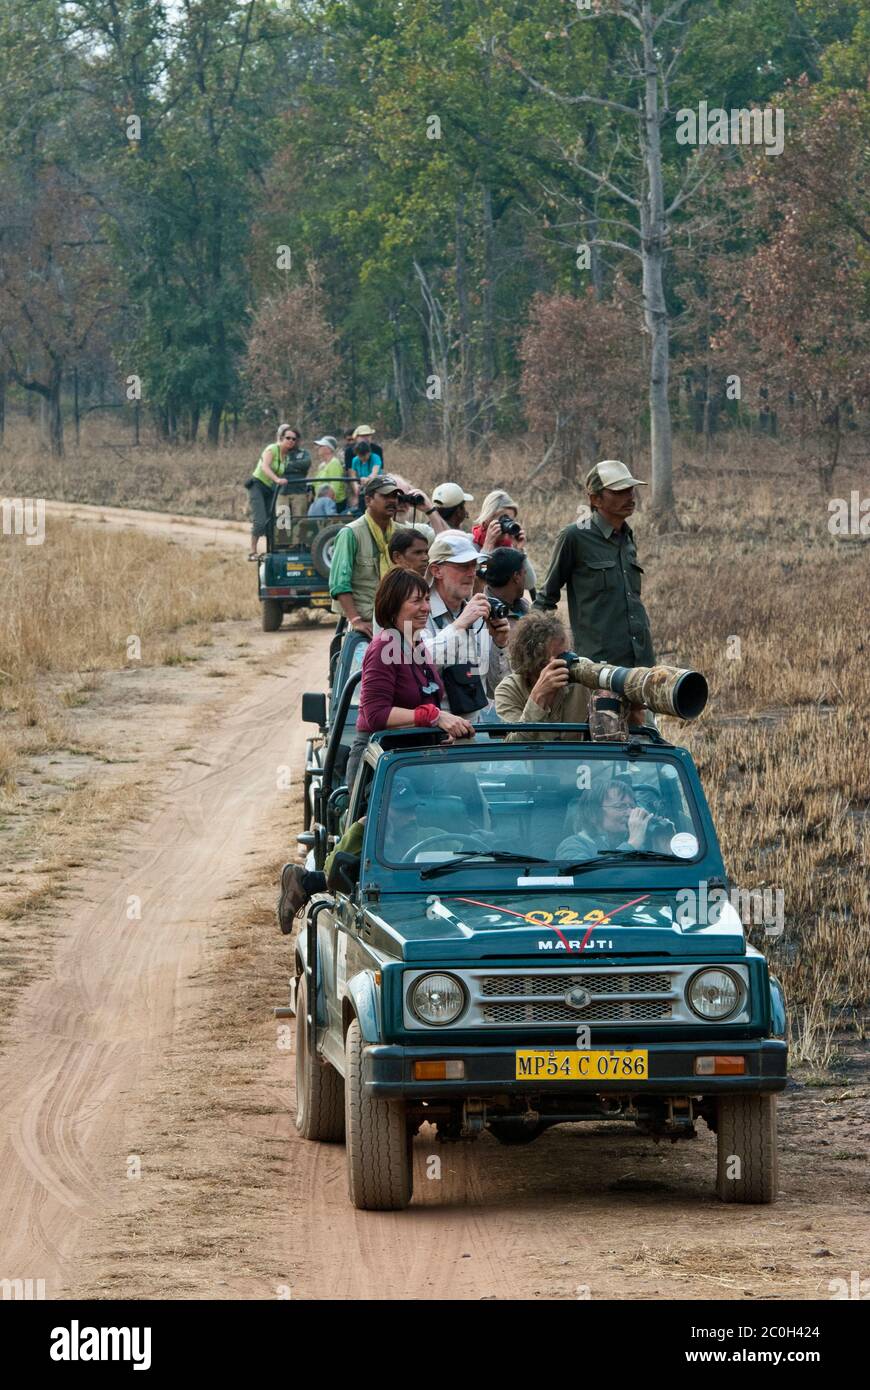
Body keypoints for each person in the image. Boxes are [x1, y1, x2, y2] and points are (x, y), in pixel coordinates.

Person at [344, 567, 475, 789]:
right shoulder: (384, 646)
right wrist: (433, 717)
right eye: (416, 601)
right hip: (380, 766)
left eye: (426, 599)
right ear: (393, 605)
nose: (426, 607)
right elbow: (376, 714)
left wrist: (441, 731)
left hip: (412, 761)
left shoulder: (416, 643)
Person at [533, 459, 655, 669]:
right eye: (619, 491)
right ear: (595, 499)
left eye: (630, 489)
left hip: (640, 660)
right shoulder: (575, 537)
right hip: (598, 666)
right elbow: (545, 600)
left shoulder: (627, 537)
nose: (629, 496)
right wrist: (532, 657)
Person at [424, 529, 510, 723]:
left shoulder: (477, 614)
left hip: (472, 730)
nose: (472, 573)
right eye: (462, 566)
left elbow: (495, 688)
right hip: (430, 732)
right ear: (436, 570)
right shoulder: (419, 611)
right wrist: (459, 625)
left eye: (474, 565)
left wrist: (500, 645)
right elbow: (418, 666)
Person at [494, 612, 588, 739]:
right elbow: (513, 746)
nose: (566, 662)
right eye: (559, 658)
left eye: (567, 654)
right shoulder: (509, 690)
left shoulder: (580, 670)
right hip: (533, 757)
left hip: (578, 757)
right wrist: (538, 697)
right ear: (535, 662)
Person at [328, 475, 401, 638]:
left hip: (396, 623)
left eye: (395, 496)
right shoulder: (351, 533)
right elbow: (339, 583)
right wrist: (356, 620)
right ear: (368, 500)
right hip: (365, 625)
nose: (392, 501)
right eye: (385, 496)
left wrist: (429, 509)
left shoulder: (400, 533)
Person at [555, 778, 675, 862]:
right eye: (620, 806)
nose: (630, 813)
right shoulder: (573, 846)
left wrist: (663, 848)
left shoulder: (641, 844)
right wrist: (632, 844)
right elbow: (588, 881)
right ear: (593, 814)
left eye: (632, 807)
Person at [245, 424, 311, 559]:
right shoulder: (272, 449)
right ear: (281, 438)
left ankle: (272, 550)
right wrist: (277, 479)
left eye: (293, 439)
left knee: (273, 521)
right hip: (258, 485)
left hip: (270, 489)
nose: (291, 441)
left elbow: (304, 465)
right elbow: (264, 467)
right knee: (260, 521)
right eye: (288, 438)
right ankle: (252, 552)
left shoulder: (286, 456)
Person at [476, 547, 530, 626]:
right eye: (524, 573)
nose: (525, 579)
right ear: (517, 576)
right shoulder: (484, 617)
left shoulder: (523, 604)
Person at [311, 436, 349, 511]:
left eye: (321, 446)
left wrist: (326, 504)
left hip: (331, 505)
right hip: (321, 503)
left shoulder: (334, 463)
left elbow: (335, 487)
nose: (318, 448)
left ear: (329, 449)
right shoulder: (322, 465)